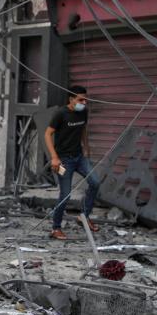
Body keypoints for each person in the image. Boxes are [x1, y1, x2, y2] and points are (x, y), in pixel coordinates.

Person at [45, 85, 100, 240]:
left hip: (79, 157)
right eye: (80, 99)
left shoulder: (83, 112)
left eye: (85, 99)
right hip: (64, 160)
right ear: (71, 99)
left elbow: (83, 130)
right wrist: (54, 157)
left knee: (95, 182)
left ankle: (84, 217)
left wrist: (87, 149)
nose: (84, 102)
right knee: (65, 195)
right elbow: (47, 134)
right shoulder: (61, 114)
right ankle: (56, 228)